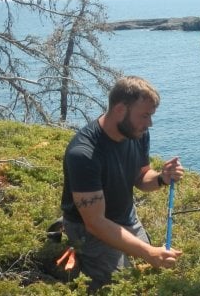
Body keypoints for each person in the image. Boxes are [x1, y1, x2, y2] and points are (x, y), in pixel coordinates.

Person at [60, 76, 183, 291]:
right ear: (119, 109)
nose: (149, 124)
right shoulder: (84, 154)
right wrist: (148, 251)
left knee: (152, 271)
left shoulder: (136, 133)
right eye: (144, 116)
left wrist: (161, 178)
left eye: (151, 116)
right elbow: (95, 223)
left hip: (125, 217)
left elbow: (141, 177)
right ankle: (71, 265)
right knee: (121, 285)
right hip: (88, 228)